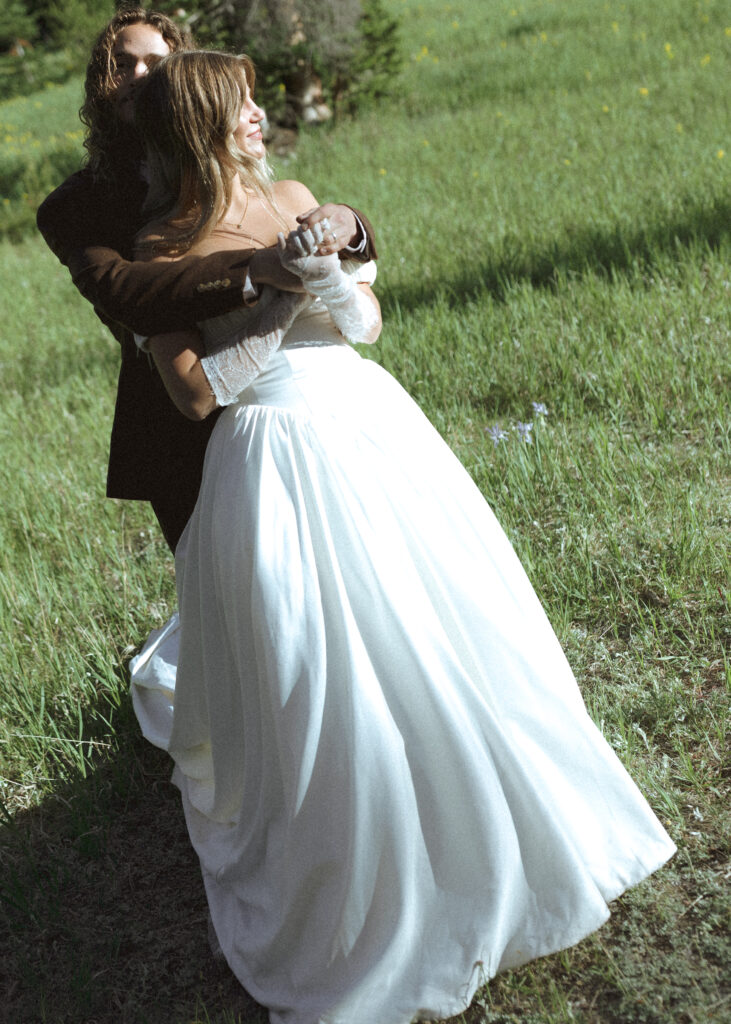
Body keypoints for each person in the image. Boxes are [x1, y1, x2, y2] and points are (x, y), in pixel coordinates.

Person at [128, 49, 676, 1024]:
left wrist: (332, 272)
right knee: (313, 666)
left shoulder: (293, 193)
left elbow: (367, 326)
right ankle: (349, 871)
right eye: (242, 108)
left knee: (448, 629)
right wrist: (277, 296)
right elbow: (198, 391)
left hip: (371, 431)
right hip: (269, 459)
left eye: (258, 104)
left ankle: (490, 827)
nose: (259, 119)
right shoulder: (163, 250)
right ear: (200, 127)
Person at [36, 6, 377, 551]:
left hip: (315, 401)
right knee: (233, 588)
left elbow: (301, 220)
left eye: (157, 63)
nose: (140, 77)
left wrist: (349, 224)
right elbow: (129, 292)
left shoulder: (244, 156)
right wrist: (262, 270)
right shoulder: (76, 206)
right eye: (122, 65)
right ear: (101, 83)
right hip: (177, 410)